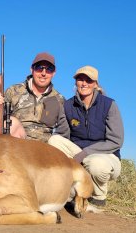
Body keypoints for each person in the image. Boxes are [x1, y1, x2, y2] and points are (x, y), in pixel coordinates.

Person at [48, 65, 124, 207]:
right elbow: (63, 134)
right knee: (54, 140)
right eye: (80, 79)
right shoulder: (68, 105)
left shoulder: (109, 104)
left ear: (95, 84)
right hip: (80, 153)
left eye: (88, 80)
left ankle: (98, 195)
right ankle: (68, 187)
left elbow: (115, 141)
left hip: (106, 155)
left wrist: (86, 153)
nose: (84, 83)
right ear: (75, 82)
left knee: (96, 164)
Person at [0, 52, 70, 142]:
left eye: (49, 69)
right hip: (17, 144)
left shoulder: (60, 100)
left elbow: (64, 132)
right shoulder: (13, 91)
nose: (43, 73)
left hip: (46, 149)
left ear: (53, 73)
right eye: (39, 68)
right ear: (32, 69)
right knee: (12, 122)